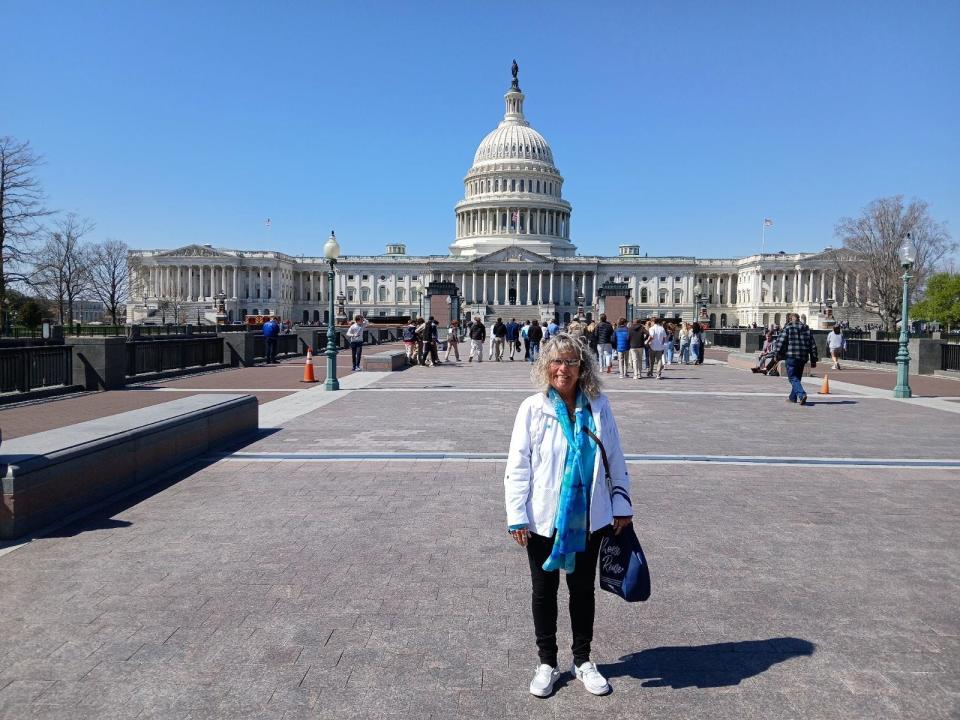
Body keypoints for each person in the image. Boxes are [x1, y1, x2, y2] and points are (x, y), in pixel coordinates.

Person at [504, 333, 633, 698]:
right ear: (546, 367)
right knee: (543, 590)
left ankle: (583, 660)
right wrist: (516, 513)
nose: (564, 369)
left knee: (582, 591)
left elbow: (616, 455)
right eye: (557, 362)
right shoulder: (532, 407)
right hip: (543, 515)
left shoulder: (598, 405)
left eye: (571, 362)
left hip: (589, 515)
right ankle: (546, 661)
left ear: (583, 367)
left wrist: (621, 504)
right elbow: (519, 463)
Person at [773, 312, 818, 405]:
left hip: (791, 356)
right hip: (803, 357)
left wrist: (777, 354)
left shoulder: (788, 327)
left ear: (790, 319)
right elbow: (813, 345)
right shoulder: (806, 329)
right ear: (799, 319)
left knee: (792, 378)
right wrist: (813, 359)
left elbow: (780, 342)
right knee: (797, 377)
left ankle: (802, 394)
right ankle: (792, 398)